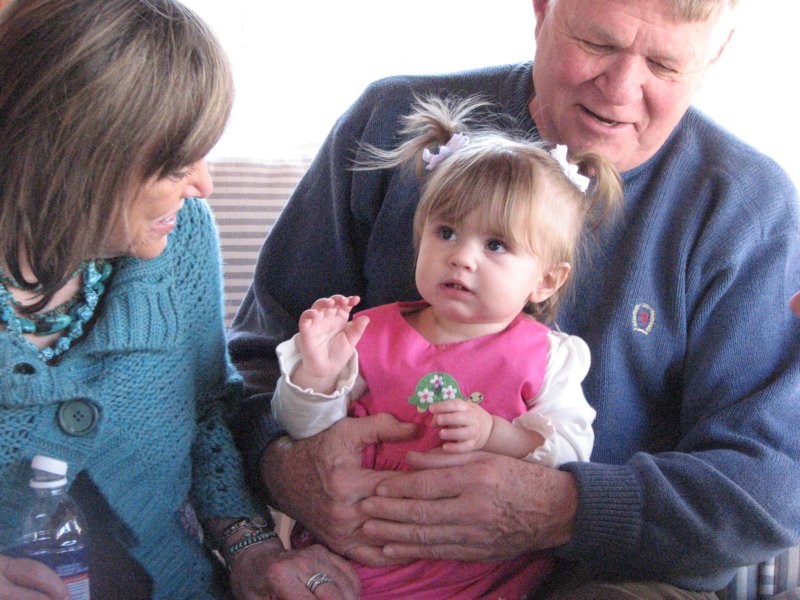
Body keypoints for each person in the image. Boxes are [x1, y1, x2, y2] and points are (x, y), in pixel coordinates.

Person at [228, 0, 800, 596]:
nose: (620, 88)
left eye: (664, 64)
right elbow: (243, 368)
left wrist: (562, 507)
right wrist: (283, 470)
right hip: (361, 561)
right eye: (598, 44)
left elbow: (773, 480)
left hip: (611, 577)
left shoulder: (745, 206)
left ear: (715, 54)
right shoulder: (391, 121)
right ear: (542, 10)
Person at [0, 1, 359, 599]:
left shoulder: (181, 238)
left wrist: (250, 547)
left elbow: (205, 415)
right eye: (175, 165)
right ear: (74, 159)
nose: (203, 185)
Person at [272, 96, 623, 599]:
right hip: (358, 563)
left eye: (496, 245)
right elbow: (303, 433)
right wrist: (318, 377)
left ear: (546, 280)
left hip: (484, 576)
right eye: (447, 232)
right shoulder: (369, 332)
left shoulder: (549, 356)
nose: (462, 258)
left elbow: (571, 452)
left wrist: (497, 434)